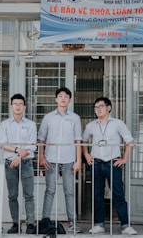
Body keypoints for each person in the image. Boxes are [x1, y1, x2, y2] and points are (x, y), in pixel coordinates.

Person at [82, 97, 137, 235]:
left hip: (113, 162)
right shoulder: (91, 125)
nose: (98, 109)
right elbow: (82, 141)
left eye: (101, 106)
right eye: (96, 107)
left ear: (109, 108)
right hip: (96, 163)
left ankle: (125, 225)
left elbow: (129, 141)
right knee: (97, 194)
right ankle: (99, 224)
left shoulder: (118, 124)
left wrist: (124, 159)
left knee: (118, 194)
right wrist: (87, 155)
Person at [38, 87, 83, 233]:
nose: (63, 98)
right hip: (51, 158)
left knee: (69, 191)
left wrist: (78, 160)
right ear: (56, 99)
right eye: (60, 96)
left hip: (69, 159)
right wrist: (41, 156)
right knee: (50, 190)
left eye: (66, 96)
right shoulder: (48, 117)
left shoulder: (75, 118)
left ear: (69, 99)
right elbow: (41, 138)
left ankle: (73, 222)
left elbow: (78, 140)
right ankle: (45, 220)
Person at [0, 94, 37, 234]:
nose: (18, 106)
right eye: (15, 103)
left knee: (29, 195)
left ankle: (30, 224)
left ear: (24, 107)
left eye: (21, 104)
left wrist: (20, 157)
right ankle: (15, 223)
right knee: (12, 195)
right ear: (11, 106)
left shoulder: (31, 124)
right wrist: (17, 151)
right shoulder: (5, 124)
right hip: (10, 164)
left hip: (26, 163)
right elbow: (3, 144)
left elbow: (32, 145)